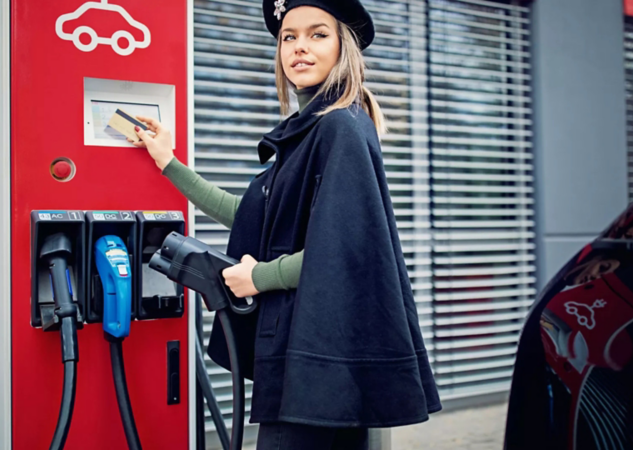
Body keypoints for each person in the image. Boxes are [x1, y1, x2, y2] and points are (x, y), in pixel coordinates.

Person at [130, 0, 441, 447]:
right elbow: (253, 214)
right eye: (288, 37)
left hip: (320, 359)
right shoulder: (309, 130)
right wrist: (169, 163)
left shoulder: (341, 129)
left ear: (342, 47)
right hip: (299, 353)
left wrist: (258, 276)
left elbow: (344, 251)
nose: (299, 47)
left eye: (317, 34)